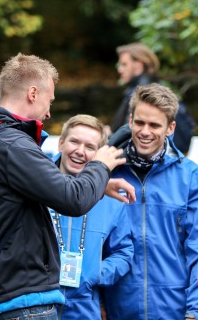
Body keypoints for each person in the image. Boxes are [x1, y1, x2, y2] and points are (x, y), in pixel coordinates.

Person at [0, 53, 135, 320]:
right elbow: (73, 199)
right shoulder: (11, 145)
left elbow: (46, 186)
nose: (49, 111)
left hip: (7, 296)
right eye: (49, 100)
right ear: (32, 93)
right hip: (23, 303)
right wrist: (100, 165)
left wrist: (99, 183)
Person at [103, 83, 198, 319]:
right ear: (129, 121)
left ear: (170, 127)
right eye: (140, 122)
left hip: (174, 309)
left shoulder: (191, 177)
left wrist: (195, 310)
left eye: (154, 125)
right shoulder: (108, 172)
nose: (145, 131)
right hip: (117, 308)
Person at [51, 114, 133, 320]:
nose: (80, 151)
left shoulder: (112, 200)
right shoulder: (36, 185)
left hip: (84, 308)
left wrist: (95, 273)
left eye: (90, 147)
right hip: (38, 305)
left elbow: (124, 252)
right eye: (74, 142)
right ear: (61, 143)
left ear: (99, 155)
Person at [109, 42, 196, 153]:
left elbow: (126, 136)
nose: (120, 69)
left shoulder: (139, 96)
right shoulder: (159, 87)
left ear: (138, 65)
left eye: (124, 64)